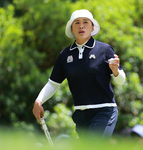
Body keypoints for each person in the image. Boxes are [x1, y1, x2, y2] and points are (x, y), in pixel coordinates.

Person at [32, 9, 126, 140]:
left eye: (85, 22)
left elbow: (121, 81)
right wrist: (39, 100)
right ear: (71, 28)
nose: (81, 26)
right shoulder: (65, 55)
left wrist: (115, 72)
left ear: (92, 27)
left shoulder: (104, 50)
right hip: (80, 115)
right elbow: (53, 84)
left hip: (104, 111)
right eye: (77, 23)